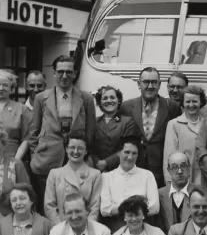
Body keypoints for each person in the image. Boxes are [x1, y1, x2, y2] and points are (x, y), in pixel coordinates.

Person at [29, 55, 96, 209]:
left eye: (68, 72)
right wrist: (36, 155)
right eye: (60, 72)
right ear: (54, 73)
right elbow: (33, 132)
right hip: (47, 160)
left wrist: (85, 154)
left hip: (77, 159)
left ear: (75, 73)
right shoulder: (41, 98)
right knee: (48, 204)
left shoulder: (86, 99)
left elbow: (91, 131)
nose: (64, 76)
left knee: (77, 203)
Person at [119, 67, 181, 188]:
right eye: (146, 82)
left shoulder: (172, 106)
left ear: (159, 84)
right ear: (139, 84)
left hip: (161, 169)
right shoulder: (126, 107)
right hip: (134, 167)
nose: (150, 86)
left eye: (154, 82)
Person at [100, 137, 159, 233]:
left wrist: (119, 208)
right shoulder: (107, 177)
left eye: (134, 153)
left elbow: (154, 208)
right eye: (127, 152)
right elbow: (105, 210)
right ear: (118, 153)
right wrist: (138, 204)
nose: (130, 157)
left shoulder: (147, 175)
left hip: (143, 227)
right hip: (117, 228)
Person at [44, 131, 102, 223]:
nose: (75, 152)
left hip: (86, 228)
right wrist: (60, 226)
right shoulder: (55, 174)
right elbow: (49, 205)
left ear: (86, 151)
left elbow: (95, 206)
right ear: (66, 149)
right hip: (61, 227)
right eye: (72, 147)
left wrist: (87, 228)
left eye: (80, 148)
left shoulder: (95, 175)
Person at [163, 85, 207, 185]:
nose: (191, 105)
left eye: (195, 101)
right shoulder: (174, 124)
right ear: (183, 103)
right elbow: (169, 155)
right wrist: (170, 181)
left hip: (204, 177)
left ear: (201, 102)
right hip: (182, 176)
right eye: (187, 101)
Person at [91, 86, 137, 173]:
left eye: (112, 97)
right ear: (99, 102)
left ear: (118, 101)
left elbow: (128, 148)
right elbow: (89, 147)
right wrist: (97, 163)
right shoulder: (94, 122)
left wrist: (106, 163)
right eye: (105, 98)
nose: (109, 101)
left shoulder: (127, 122)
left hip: (120, 170)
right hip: (96, 170)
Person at [158, 152, 197, 233]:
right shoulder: (159, 195)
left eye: (183, 166)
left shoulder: (199, 192)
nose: (179, 171)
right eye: (175, 167)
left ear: (189, 168)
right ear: (169, 170)